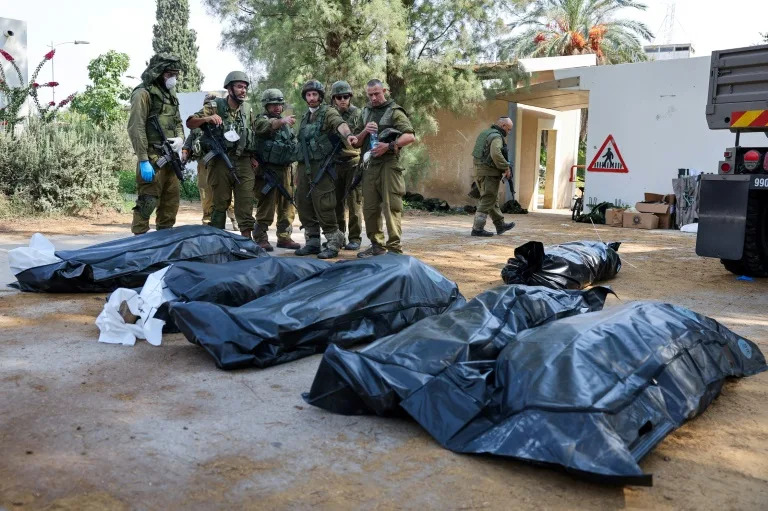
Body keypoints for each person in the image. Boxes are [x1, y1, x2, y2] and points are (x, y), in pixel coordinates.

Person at [186, 72, 256, 239]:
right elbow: (190, 122)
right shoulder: (214, 106)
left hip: (244, 160)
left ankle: (247, 240)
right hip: (220, 162)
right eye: (239, 86)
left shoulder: (247, 109)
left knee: (245, 201)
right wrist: (208, 118)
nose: (243, 90)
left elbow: (252, 133)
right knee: (220, 202)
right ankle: (217, 240)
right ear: (229, 89)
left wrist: (254, 157)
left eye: (245, 87)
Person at [294, 79, 358, 259]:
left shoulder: (328, 112)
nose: (312, 98)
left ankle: (333, 241)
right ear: (305, 97)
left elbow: (340, 124)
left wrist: (350, 135)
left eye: (315, 94)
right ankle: (312, 242)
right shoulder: (305, 117)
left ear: (320, 96)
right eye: (308, 94)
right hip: (304, 167)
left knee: (325, 204)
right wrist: (297, 174)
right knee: (304, 203)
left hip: (322, 167)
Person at [356, 79, 415, 257]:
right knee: (370, 208)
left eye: (377, 93)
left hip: (389, 164)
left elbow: (410, 136)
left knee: (391, 206)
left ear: (385, 91)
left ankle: (395, 249)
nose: (374, 97)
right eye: (370, 94)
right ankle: (377, 245)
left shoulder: (394, 111)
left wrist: (388, 146)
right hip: (369, 165)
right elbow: (356, 142)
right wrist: (365, 131)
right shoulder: (365, 112)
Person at [127, 53, 185, 235]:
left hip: (171, 159)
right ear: (159, 72)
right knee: (147, 202)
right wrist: (143, 159)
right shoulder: (142, 93)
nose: (173, 78)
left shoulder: (170, 94)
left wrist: (181, 139)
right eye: (170, 74)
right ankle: (138, 242)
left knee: (170, 205)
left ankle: (163, 244)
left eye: (176, 74)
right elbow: (136, 127)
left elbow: (177, 121)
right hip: (152, 159)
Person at [250, 88, 300, 251]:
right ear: (266, 105)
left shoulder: (286, 125)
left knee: (287, 204)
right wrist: (282, 121)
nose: (277, 108)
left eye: (280, 104)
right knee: (267, 205)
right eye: (273, 105)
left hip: (286, 169)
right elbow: (268, 126)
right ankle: (260, 237)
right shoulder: (261, 120)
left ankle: (284, 237)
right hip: (268, 171)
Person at [181, 95, 238, 230]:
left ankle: (234, 218)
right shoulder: (198, 124)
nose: (208, 109)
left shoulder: (223, 121)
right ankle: (207, 219)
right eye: (206, 105)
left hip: (220, 162)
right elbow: (190, 140)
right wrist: (184, 152)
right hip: (203, 163)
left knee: (225, 192)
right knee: (205, 191)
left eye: (210, 106)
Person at [329, 80, 366, 251]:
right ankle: (339, 236)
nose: (342, 100)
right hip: (335, 163)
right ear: (334, 99)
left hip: (353, 162)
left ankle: (355, 238)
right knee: (335, 202)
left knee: (354, 202)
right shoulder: (330, 115)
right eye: (339, 97)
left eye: (346, 96)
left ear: (350, 97)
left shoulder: (359, 114)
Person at [470, 116, 516, 237]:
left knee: (492, 199)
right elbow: (496, 153)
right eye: (509, 129)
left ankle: (500, 225)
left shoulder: (485, 133)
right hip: (488, 173)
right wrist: (506, 167)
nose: (509, 132)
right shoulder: (496, 136)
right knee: (487, 199)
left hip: (479, 171)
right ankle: (477, 229)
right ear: (503, 126)